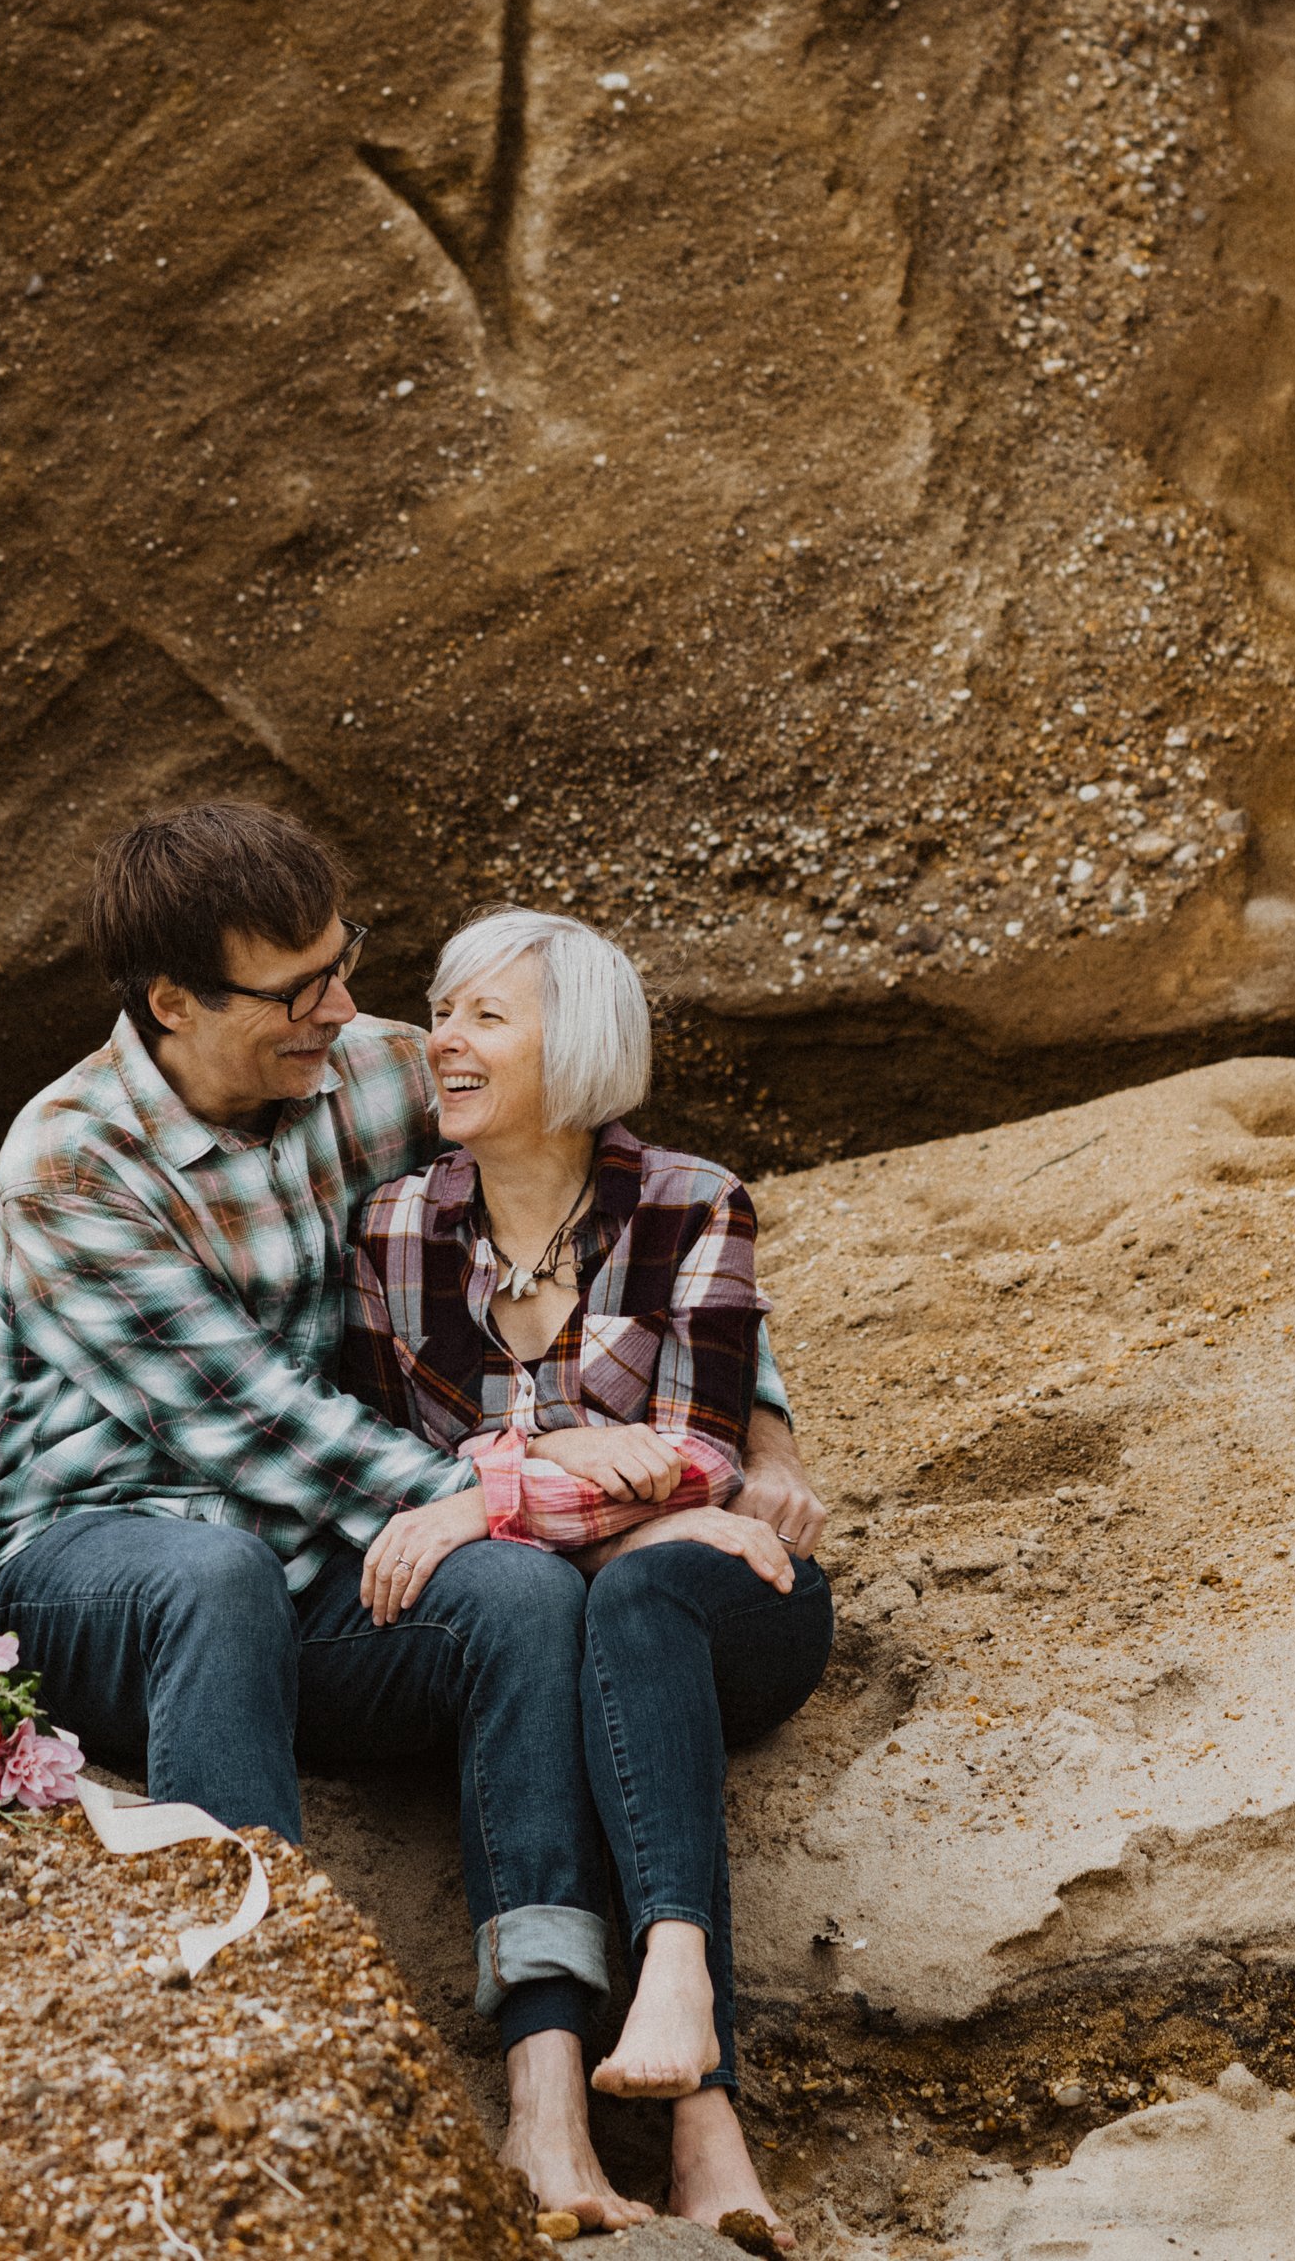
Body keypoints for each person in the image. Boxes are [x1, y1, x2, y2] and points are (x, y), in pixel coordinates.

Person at [0, 801, 825, 2234]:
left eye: (344, 966)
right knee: (217, 1571)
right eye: (300, 990)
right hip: (103, 1546)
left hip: (347, 1548)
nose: (349, 1013)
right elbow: (250, 1430)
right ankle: (269, 2014)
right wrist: (575, 1497)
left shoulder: (362, 1074)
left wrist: (739, 1436)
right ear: (173, 1002)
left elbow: (616, 1195)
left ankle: (546, 2099)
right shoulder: (71, 1162)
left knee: (526, 1603)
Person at [344, 907, 833, 2251]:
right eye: (443, 1011)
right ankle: (703, 2125)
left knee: (644, 1589)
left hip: (721, 1600)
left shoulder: (692, 1201)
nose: (442, 1039)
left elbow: (695, 1454)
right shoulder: (390, 1229)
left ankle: (678, 1979)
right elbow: (389, 1482)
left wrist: (501, 1490)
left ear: (582, 1050)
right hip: (577, 1598)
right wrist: (598, 1487)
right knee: (590, 1591)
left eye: (485, 1018)